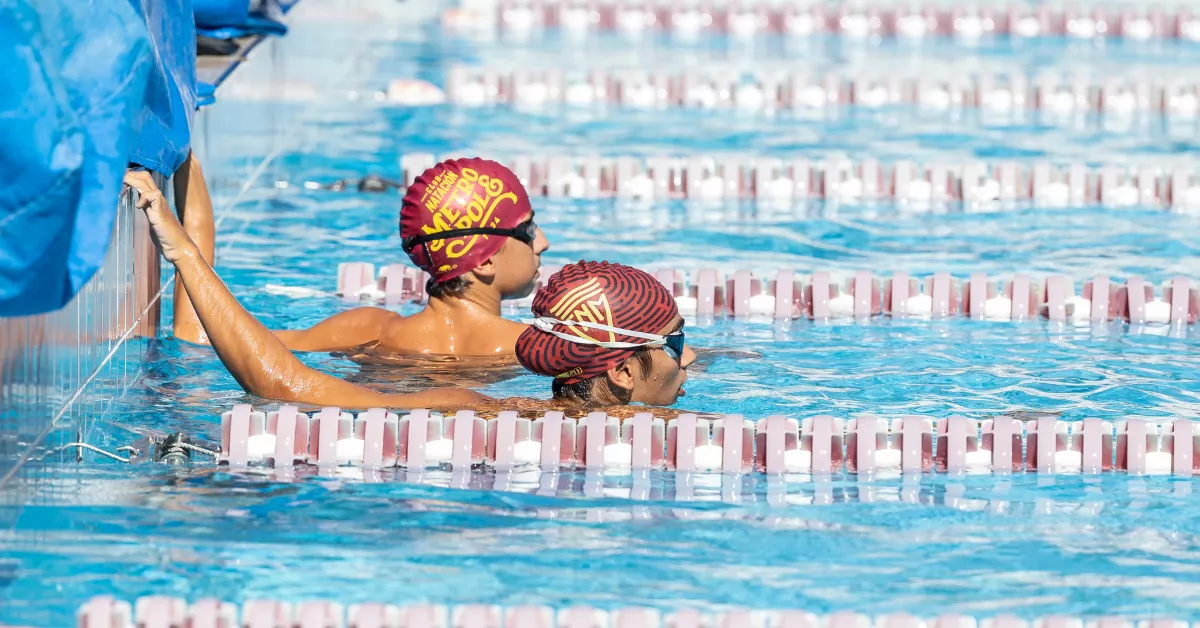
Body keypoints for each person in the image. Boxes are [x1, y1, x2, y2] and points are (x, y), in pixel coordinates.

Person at [124, 171, 694, 411]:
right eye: (678, 344)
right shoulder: (510, 373)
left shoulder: (366, 330)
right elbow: (279, 383)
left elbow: (222, 351)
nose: (542, 241)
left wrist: (184, 243)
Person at [272, 158, 551, 359]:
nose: (542, 242)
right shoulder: (536, 349)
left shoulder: (364, 330)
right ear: (483, 261)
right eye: (527, 229)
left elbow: (245, 341)